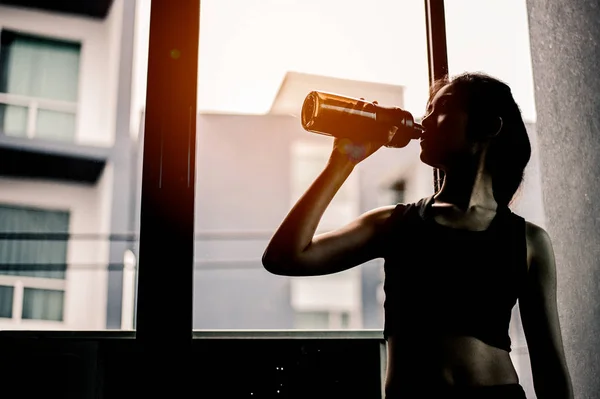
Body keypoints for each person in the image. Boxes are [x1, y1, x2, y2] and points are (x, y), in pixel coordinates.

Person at [262, 72, 573, 399]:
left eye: (443, 107)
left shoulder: (529, 241)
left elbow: (550, 365)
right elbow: (285, 257)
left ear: (490, 126)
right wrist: (341, 162)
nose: (425, 119)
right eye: (427, 109)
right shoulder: (394, 223)